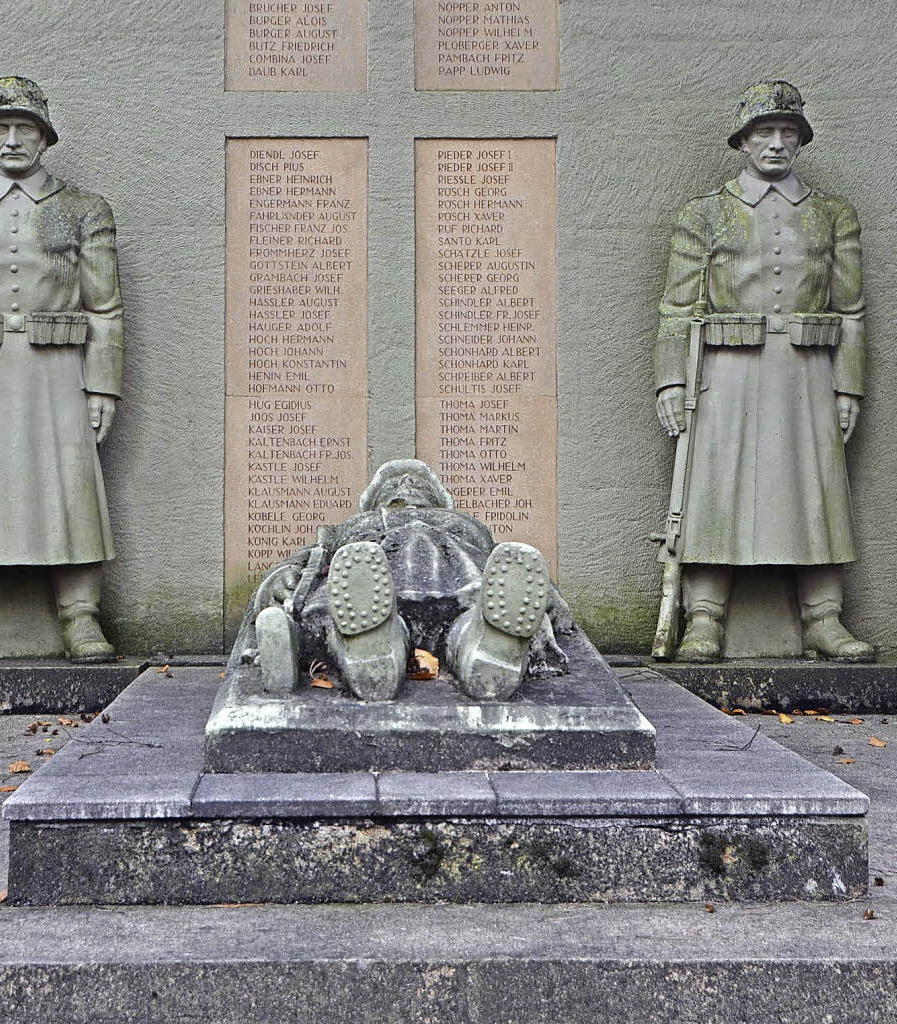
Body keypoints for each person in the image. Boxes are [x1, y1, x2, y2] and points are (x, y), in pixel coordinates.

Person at [655, 80, 873, 663]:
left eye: (787, 132)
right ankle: (704, 621)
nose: (776, 143)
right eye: (763, 132)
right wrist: (672, 380)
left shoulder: (832, 215)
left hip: (808, 375)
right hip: (726, 376)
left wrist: (849, 385)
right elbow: (676, 308)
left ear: (800, 141)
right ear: (744, 142)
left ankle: (824, 620)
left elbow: (851, 310)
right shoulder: (704, 214)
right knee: (715, 489)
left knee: (817, 491)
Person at [0, 77, 123, 662]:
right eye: (2, 128)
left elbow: (105, 307)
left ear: (45, 138)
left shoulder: (84, 210)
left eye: (26, 128)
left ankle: (80, 618)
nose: (13, 140)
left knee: (69, 486)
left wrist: (102, 385)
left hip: (58, 372)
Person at [247, 459, 574, 700]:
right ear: (372, 503)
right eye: (392, 485)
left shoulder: (463, 525)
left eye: (416, 484)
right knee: (337, 614)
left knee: (474, 620)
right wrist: (279, 580)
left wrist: (544, 595)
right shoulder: (352, 530)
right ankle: (371, 653)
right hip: (376, 595)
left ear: (439, 501)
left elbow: (515, 573)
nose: (404, 487)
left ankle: (488, 650)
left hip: (462, 590)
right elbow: (303, 562)